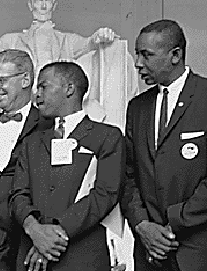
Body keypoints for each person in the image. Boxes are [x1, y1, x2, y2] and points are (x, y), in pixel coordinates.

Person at [121, 19, 207, 271]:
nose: (137, 63)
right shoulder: (138, 107)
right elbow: (128, 174)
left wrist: (172, 224)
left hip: (201, 251)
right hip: (149, 252)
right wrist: (143, 225)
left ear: (175, 55)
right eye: (137, 54)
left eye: (146, 55)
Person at [10, 61, 125, 271]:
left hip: (83, 255)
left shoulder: (107, 136)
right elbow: (18, 194)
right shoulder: (31, 142)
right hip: (31, 256)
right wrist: (34, 230)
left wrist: (54, 235)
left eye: (44, 86)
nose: (37, 95)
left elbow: (106, 194)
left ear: (69, 89)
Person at [0, 49, 52, 269]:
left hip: (27, 237)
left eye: (2, 80)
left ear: (26, 79)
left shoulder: (48, 125)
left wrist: (41, 236)